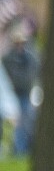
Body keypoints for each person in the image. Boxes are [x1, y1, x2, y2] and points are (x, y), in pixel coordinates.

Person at [2, 17, 39, 156]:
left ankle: (21, 149)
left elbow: (31, 74)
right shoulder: (9, 58)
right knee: (15, 123)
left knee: (25, 122)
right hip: (12, 94)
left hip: (25, 94)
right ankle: (17, 149)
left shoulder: (30, 57)